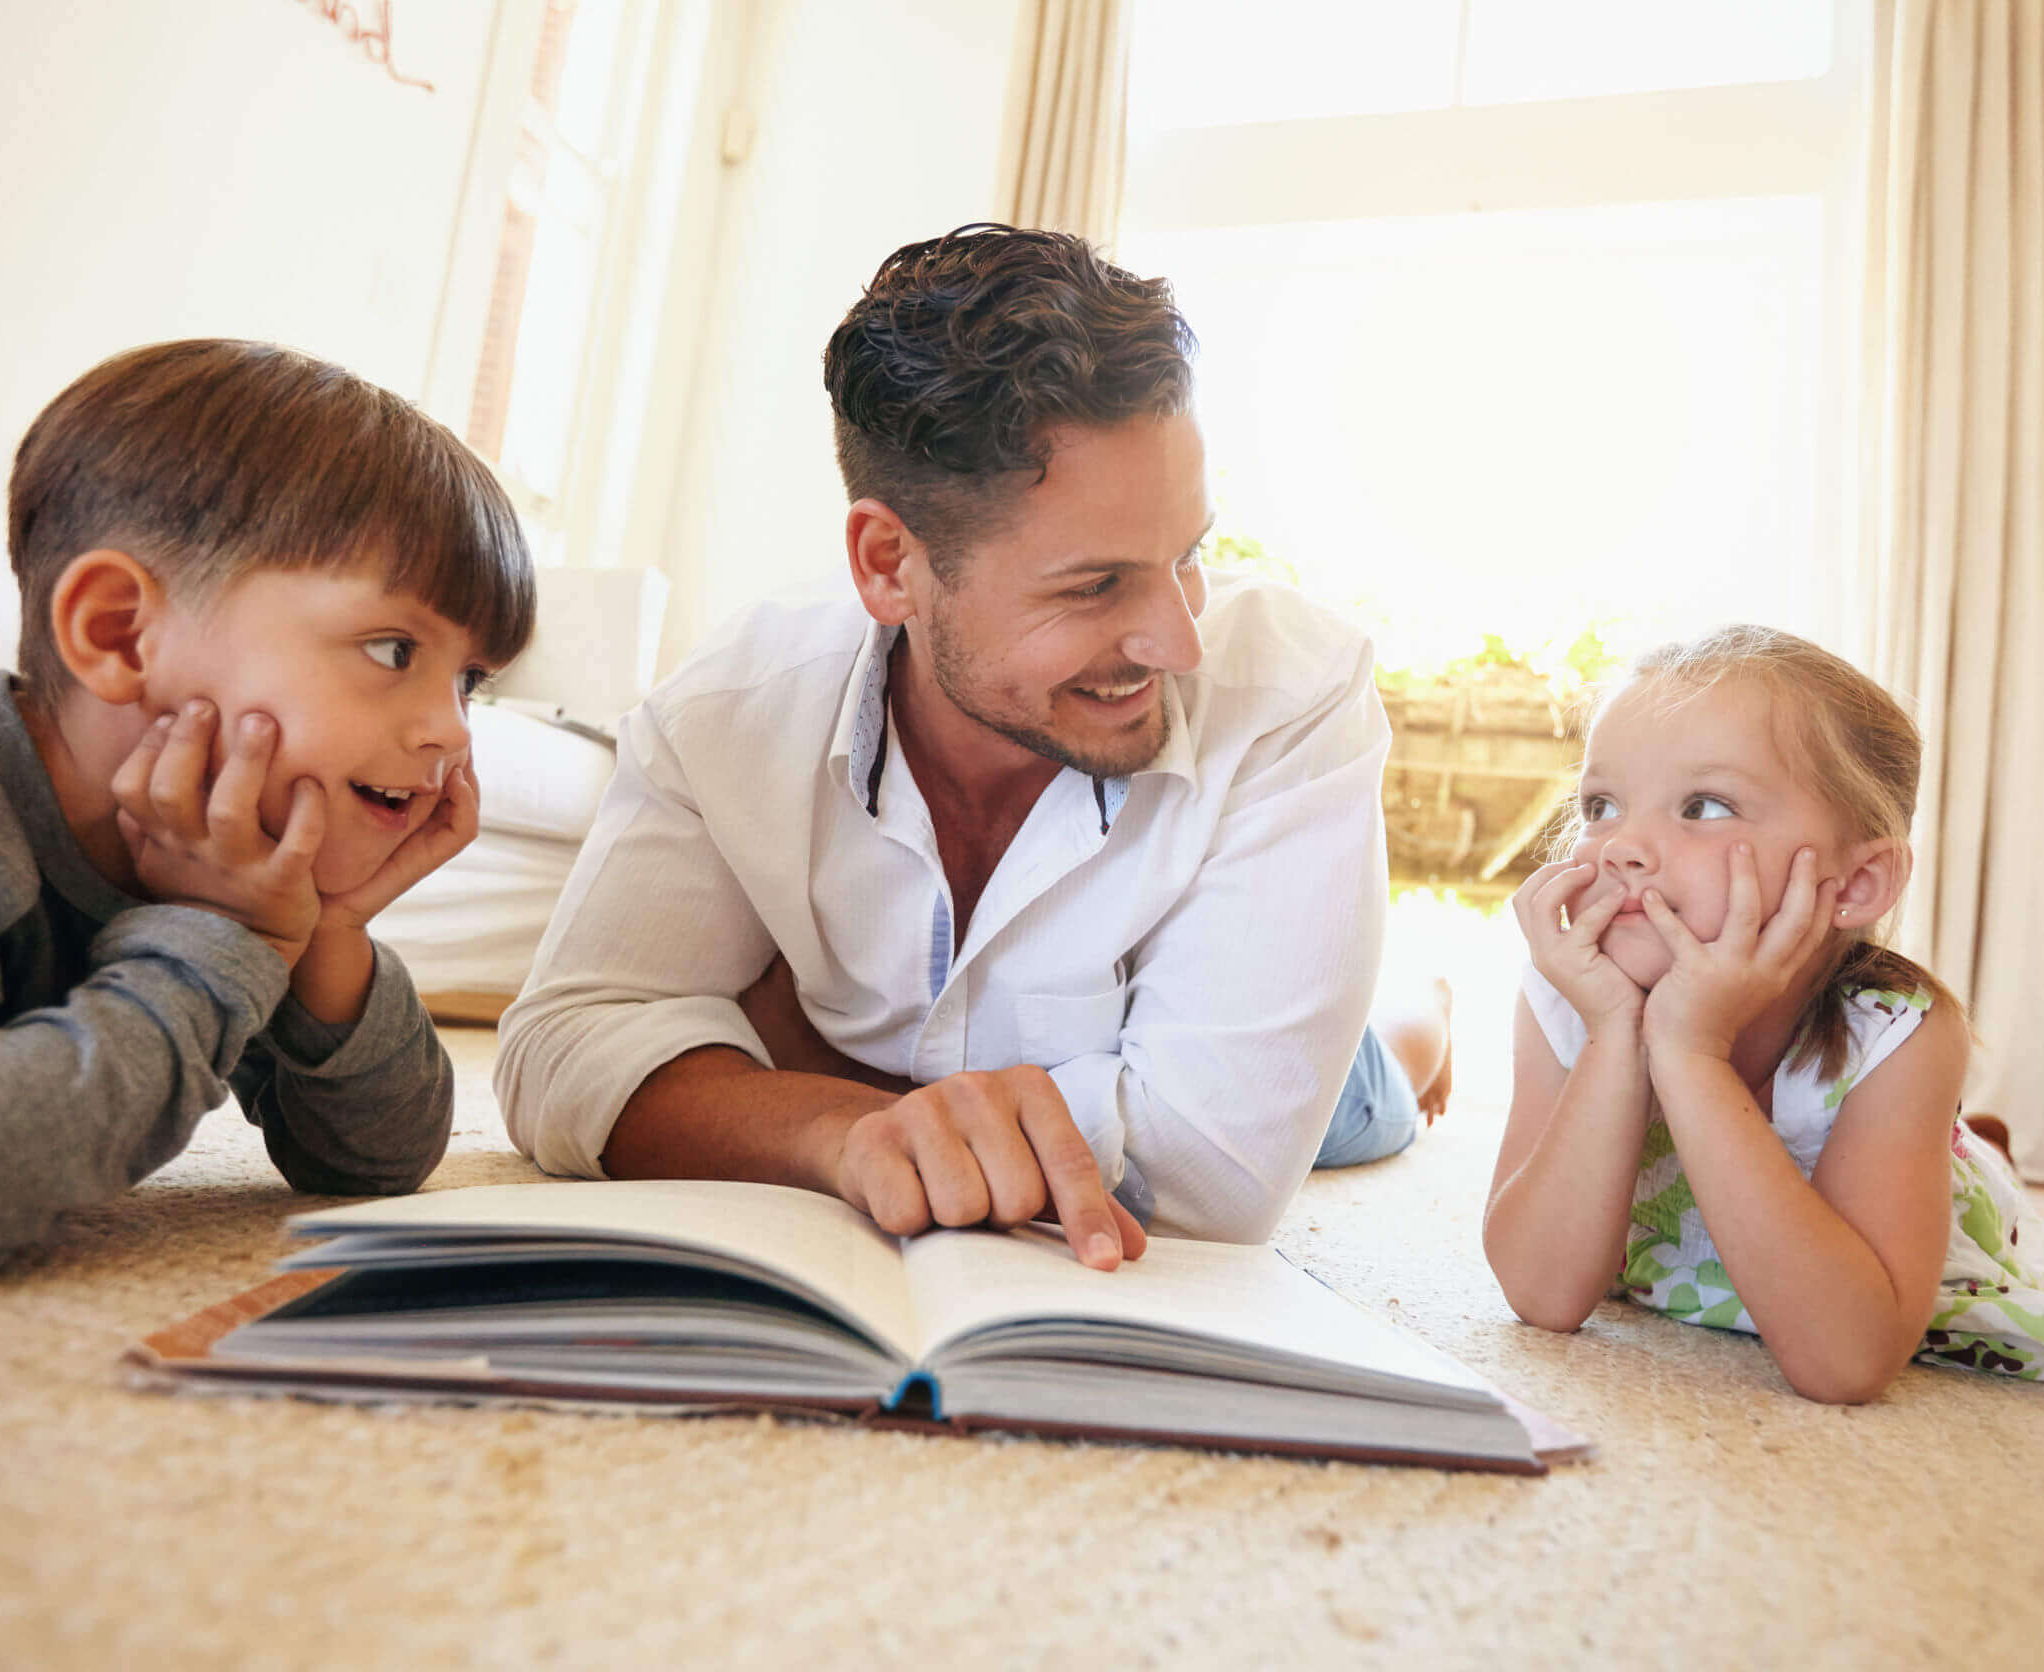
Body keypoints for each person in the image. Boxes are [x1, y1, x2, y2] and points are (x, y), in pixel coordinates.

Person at [498, 224, 1432, 1267]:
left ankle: (1409, 1014)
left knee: (1367, 1093)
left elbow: (1214, 1178)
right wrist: (844, 1132)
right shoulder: (729, 711)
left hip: (1280, 1033)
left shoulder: (1295, 692)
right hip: (1069, 1046)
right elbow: (556, 1054)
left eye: (1189, 555)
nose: (1177, 640)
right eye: (1093, 585)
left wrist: (764, 1073)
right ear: (890, 563)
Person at [0, 339, 536, 1304]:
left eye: (470, 682)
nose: (448, 730)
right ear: (121, 632)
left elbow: (378, 1161)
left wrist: (324, 938)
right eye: (390, 647)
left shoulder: (216, 850)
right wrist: (214, 943)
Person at [1482, 625, 2044, 1399]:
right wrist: (1617, 1034)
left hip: (1894, 1222)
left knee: (1975, 1187)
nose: (1623, 845)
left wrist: (1691, 1053)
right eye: (1602, 804)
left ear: (1855, 885)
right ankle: (1962, 1138)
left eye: (1705, 806)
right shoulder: (1568, 1000)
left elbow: (1846, 1362)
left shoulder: (1897, 1033)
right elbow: (1542, 1295)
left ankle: (1965, 1152)